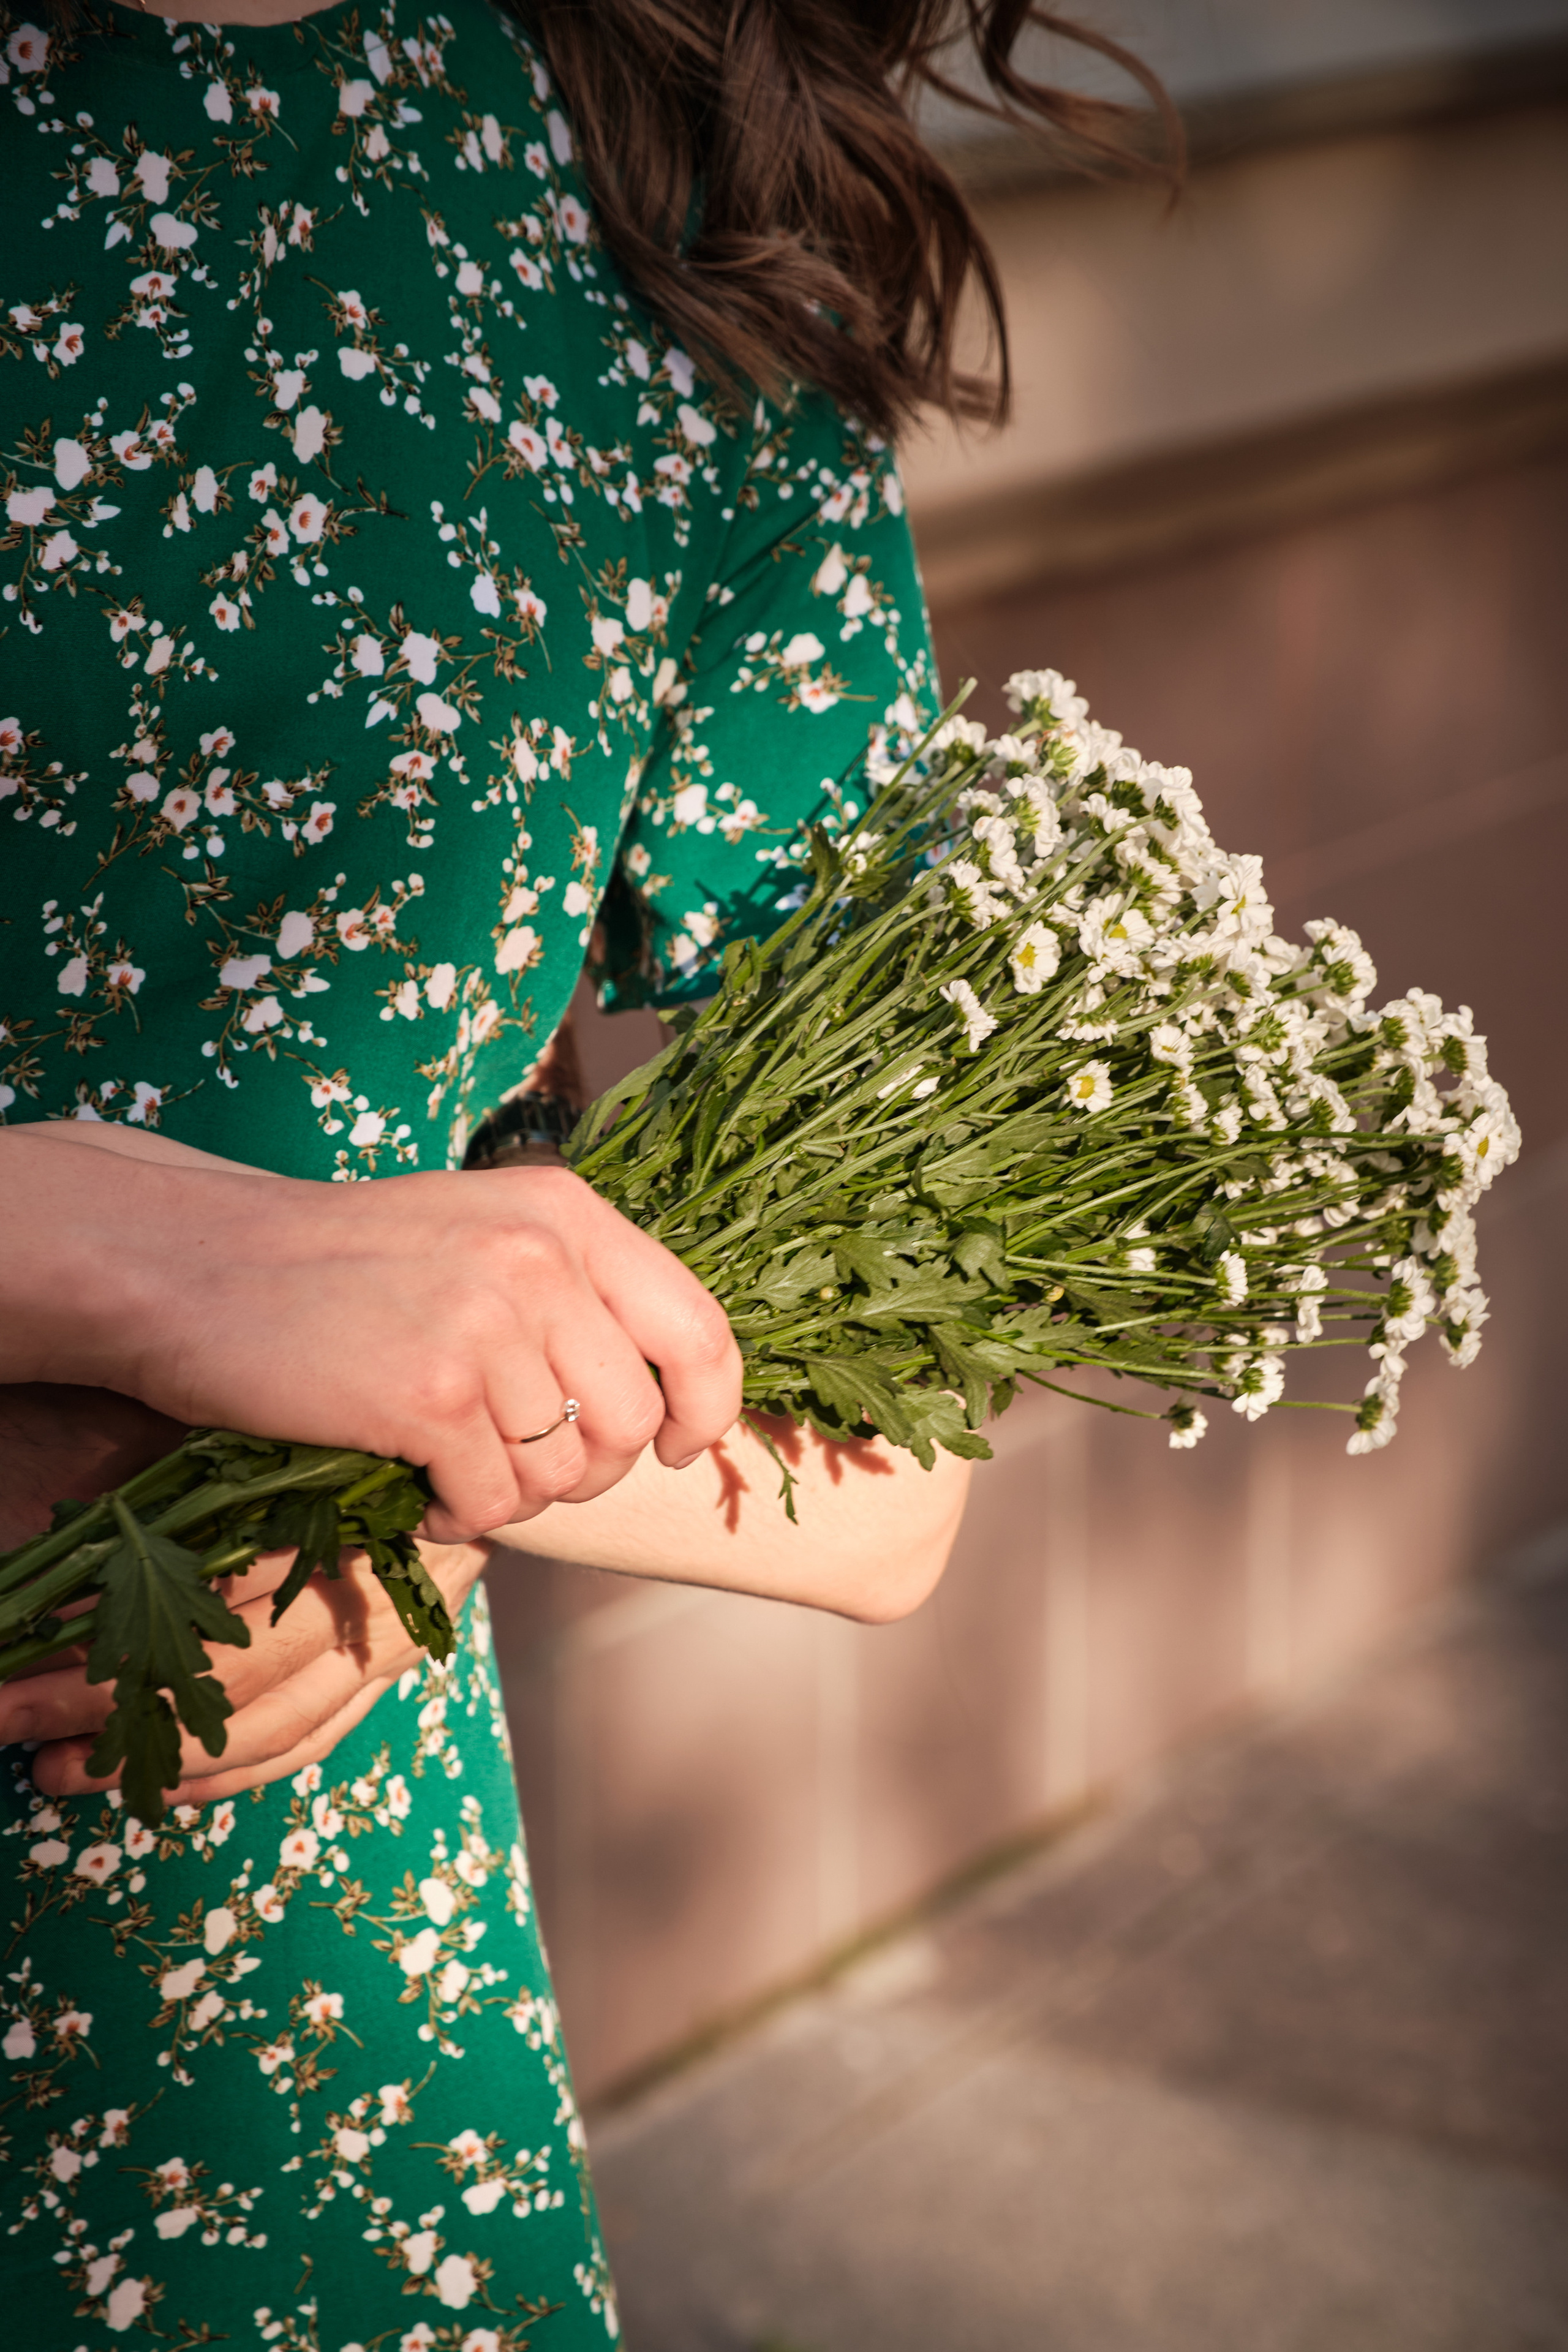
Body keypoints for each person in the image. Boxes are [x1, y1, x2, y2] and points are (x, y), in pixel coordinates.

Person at [0, 1, 1170, 2340]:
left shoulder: (656, 216)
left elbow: (891, 1479)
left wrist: (390, 1484)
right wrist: (115, 1253)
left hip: (270, 2017)